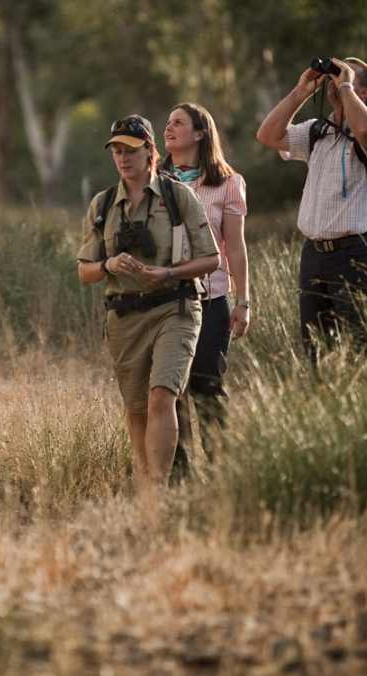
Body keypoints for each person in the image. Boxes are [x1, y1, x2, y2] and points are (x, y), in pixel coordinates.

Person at [77, 115, 221, 491]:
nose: (123, 158)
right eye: (117, 151)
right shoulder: (103, 204)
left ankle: (159, 487)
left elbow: (212, 260)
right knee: (137, 409)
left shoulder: (178, 197)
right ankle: (148, 493)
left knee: (162, 397)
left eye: (131, 150)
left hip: (175, 308)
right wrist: (108, 264)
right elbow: (85, 271)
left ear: (150, 152)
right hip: (124, 316)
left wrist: (168, 274)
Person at [255, 57, 367, 362]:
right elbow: (268, 136)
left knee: (357, 349)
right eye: (334, 75)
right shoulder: (318, 131)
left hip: (355, 253)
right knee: (315, 351)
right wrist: (300, 92)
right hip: (314, 255)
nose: (335, 80)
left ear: (365, 93)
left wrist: (345, 86)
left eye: (345, 76)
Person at [160, 103, 250, 475]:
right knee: (170, 388)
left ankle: (219, 471)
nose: (169, 128)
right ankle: (179, 474)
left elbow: (236, 246)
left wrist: (244, 301)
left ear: (200, 133)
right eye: (167, 122)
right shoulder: (155, 181)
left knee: (206, 384)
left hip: (211, 297)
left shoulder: (227, 182)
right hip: (164, 298)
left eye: (178, 122)